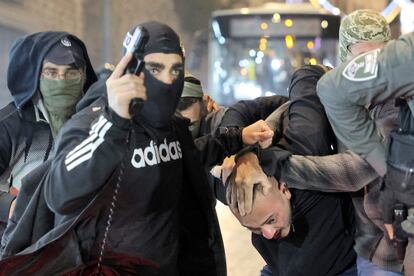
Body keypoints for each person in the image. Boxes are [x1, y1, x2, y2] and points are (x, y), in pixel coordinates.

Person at [0, 21, 273, 275]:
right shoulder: (91, 123)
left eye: (175, 69)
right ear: (132, 68)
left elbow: (187, 155)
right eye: (155, 68)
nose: (167, 80)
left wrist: (237, 138)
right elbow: (60, 194)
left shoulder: (171, 127)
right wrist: (114, 121)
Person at [224, 65, 357, 276]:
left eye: (270, 220)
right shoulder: (233, 188)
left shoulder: (307, 145)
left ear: (284, 188)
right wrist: (239, 149)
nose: (267, 234)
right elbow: (239, 111)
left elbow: (308, 74)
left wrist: (256, 156)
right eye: (254, 229)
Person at [0, 32, 97, 235]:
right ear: (36, 75)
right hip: (16, 245)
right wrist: (8, 205)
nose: (61, 81)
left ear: (84, 75)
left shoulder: (97, 123)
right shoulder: (9, 125)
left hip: (80, 240)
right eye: (51, 72)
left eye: (71, 73)